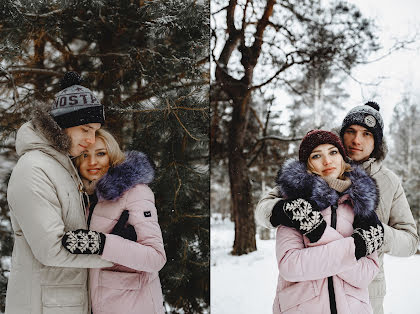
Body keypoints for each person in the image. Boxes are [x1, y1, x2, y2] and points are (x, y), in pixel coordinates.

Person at [256, 102, 419, 314]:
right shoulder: (307, 178)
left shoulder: (389, 182)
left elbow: (411, 241)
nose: (356, 140)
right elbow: (263, 208)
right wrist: (283, 211)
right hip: (308, 296)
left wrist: (378, 234)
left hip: (365, 293)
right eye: (350, 131)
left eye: (366, 134)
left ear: (377, 142)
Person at [6, 72, 115, 314]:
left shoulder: (62, 167)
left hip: (64, 302)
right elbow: (52, 248)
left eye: (95, 131)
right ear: (63, 124)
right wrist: (118, 253)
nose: (91, 139)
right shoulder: (34, 169)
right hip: (43, 306)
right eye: (86, 129)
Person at [272, 130, 383, 314]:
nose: (327, 161)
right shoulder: (296, 204)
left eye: (333, 152)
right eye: (317, 155)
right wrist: (356, 248)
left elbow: (365, 275)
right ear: (307, 164)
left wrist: (318, 235)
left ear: (342, 159)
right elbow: (290, 266)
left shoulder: (361, 207)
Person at [61, 129, 166, 314]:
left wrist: (103, 244)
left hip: (135, 306)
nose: (92, 162)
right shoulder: (85, 197)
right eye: (85, 155)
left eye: (101, 154)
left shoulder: (135, 193)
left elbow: (156, 258)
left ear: (113, 155)